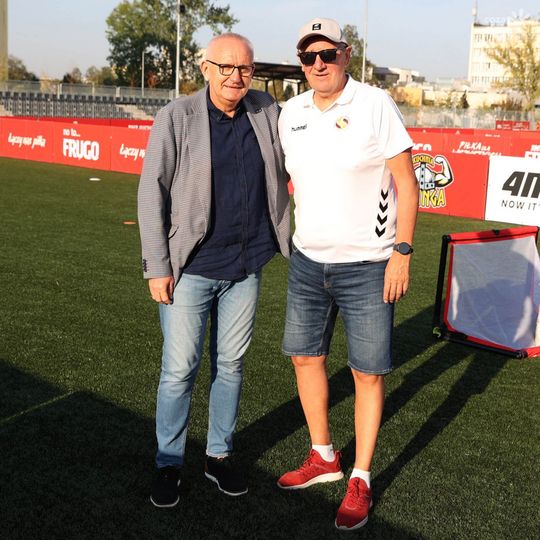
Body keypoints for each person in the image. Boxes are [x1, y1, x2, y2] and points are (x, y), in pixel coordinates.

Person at [276, 18, 419, 531]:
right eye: (308, 56)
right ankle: (323, 456)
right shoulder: (290, 112)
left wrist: (401, 252)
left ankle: (360, 476)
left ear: (346, 54)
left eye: (327, 54)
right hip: (307, 263)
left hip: (369, 265)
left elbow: (407, 183)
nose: (318, 64)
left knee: (367, 373)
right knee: (305, 358)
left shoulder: (375, 104)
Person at [138, 32, 290, 508]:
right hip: (191, 268)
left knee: (231, 366)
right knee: (179, 370)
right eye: (225, 67)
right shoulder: (176, 116)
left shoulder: (267, 110)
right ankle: (168, 462)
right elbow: (151, 191)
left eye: (243, 68)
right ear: (205, 68)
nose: (235, 77)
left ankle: (218, 456)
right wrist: (157, 267)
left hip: (247, 265)